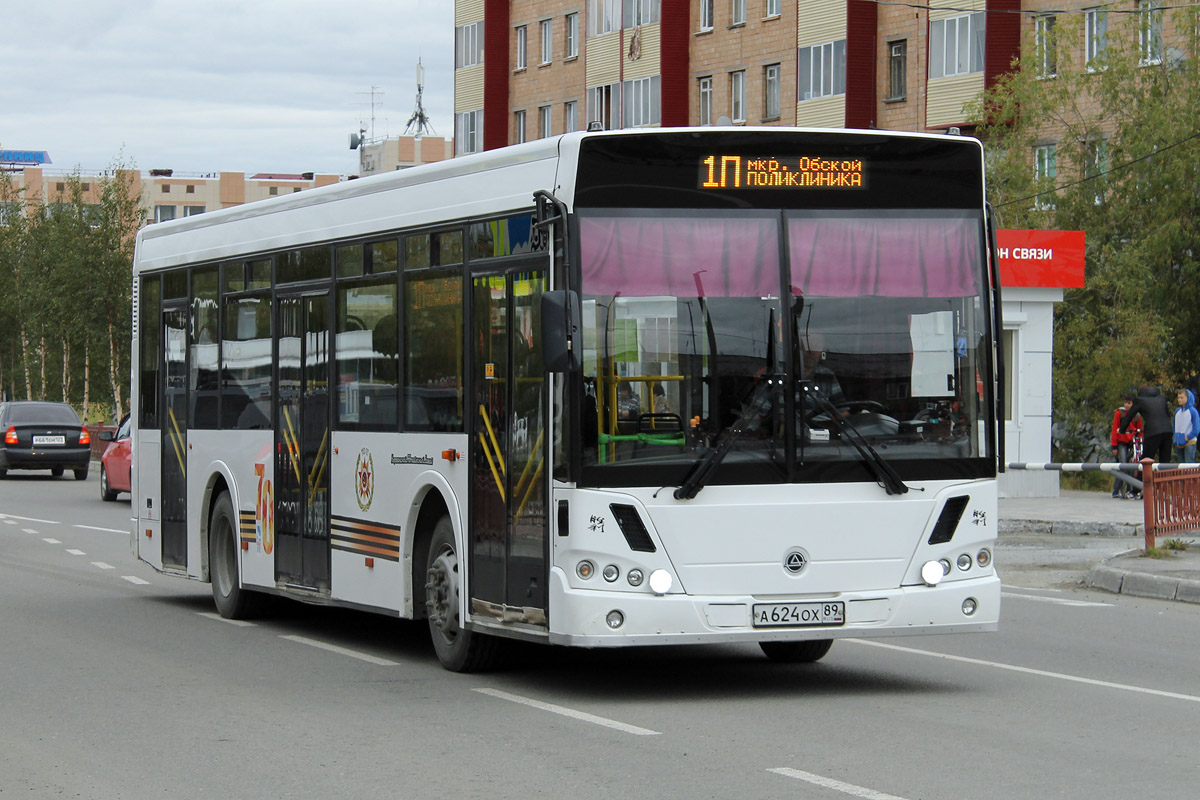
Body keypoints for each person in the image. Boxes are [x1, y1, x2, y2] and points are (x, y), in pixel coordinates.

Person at [1120, 385, 1173, 464]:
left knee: (1146, 460)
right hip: (1167, 430)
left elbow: (1129, 416)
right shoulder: (1162, 398)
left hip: (1153, 432)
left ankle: (1142, 476)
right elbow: (1167, 415)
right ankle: (1165, 475)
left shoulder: (1140, 400)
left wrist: (1122, 430)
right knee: (1165, 461)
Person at [1110, 393, 1142, 498]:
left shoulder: (1137, 416)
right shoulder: (1119, 413)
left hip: (1133, 442)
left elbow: (1140, 431)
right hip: (1122, 442)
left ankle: (1132, 489)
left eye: (1129, 403)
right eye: (1125, 402)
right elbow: (1115, 429)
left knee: (1133, 466)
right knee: (1122, 465)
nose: (1127, 405)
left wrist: (1139, 444)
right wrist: (1114, 446)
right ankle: (1116, 489)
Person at [1173, 388, 1200, 464]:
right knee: (1181, 464)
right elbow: (1174, 425)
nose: (1179, 400)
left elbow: (1196, 428)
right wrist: (1175, 436)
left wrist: (1187, 437)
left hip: (1189, 442)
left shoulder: (1193, 411)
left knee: (1189, 463)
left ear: (1188, 398)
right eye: (1178, 397)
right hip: (1178, 442)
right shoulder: (1177, 411)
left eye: (1182, 398)